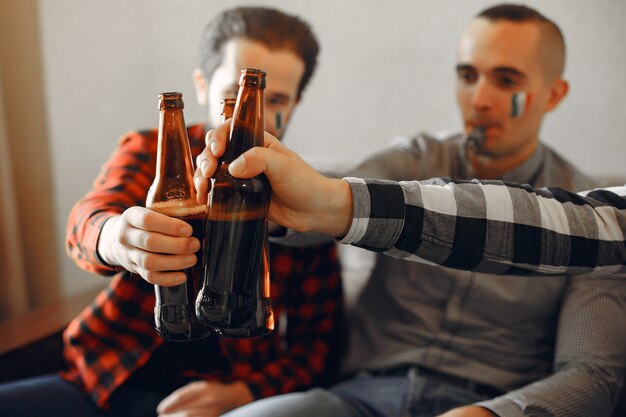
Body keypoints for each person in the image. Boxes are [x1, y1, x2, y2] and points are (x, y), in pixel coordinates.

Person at [196, 4, 626, 417]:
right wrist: (264, 202)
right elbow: (322, 205)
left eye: (506, 80)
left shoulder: (590, 220)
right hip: (358, 397)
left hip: (490, 399)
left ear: (554, 94)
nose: (479, 99)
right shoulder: (417, 159)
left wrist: (492, 414)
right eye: (467, 75)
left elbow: (593, 372)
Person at [0, 7, 343, 417]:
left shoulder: (300, 194)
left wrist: (244, 393)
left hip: (221, 399)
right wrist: (118, 240)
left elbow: (318, 349)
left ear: (297, 103)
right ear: (201, 86)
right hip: (107, 380)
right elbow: (84, 223)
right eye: (233, 96)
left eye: (278, 101)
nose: (251, 114)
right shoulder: (154, 153)